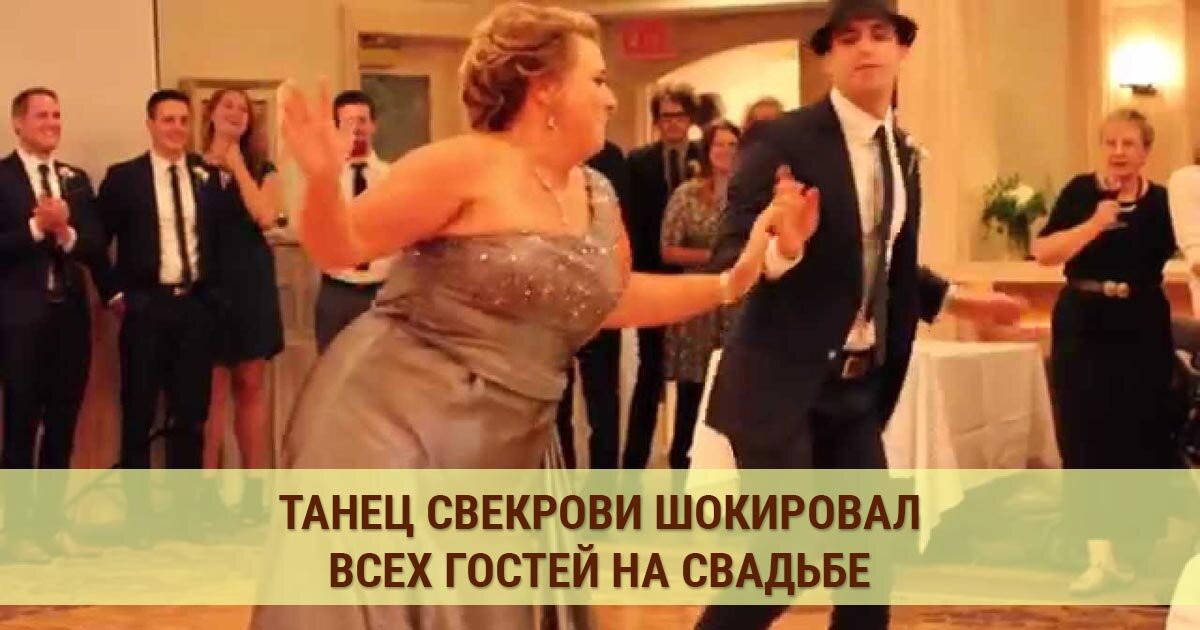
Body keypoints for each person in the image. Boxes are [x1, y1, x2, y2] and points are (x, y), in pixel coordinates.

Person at [250, 3, 788, 627]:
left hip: (512, 440)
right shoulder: (462, 164)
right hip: (396, 430)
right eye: (598, 79)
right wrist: (321, 179)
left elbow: (609, 300)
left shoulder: (596, 192)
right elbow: (340, 246)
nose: (611, 98)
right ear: (544, 87)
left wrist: (732, 281)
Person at [697, 1, 1025, 628]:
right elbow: (730, 254)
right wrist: (783, 249)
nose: (866, 47)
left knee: (870, 565)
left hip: (853, 390)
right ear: (826, 57)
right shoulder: (782, 140)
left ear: (902, 50)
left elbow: (882, 259)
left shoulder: (899, 149)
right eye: (848, 38)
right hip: (778, 383)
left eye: (880, 34)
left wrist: (958, 299)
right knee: (784, 563)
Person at [1033, 108, 1181, 595]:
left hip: (1142, 323)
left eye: (1129, 144)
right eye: (1110, 142)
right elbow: (1045, 253)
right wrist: (1095, 223)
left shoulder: (1162, 201)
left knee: (1140, 432)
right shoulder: (1081, 192)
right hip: (1085, 321)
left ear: (1146, 152)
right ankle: (1099, 556)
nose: (1118, 152)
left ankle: (1133, 549)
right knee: (1086, 432)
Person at [93, 89, 226, 546]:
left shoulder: (206, 177)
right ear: (150, 124)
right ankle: (139, 517)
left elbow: (221, 243)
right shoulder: (124, 179)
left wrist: (215, 301)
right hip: (146, 307)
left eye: (183, 120)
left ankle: (183, 514)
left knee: (190, 414)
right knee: (139, 411)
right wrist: (112, 292)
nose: (176, 128)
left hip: (195, 309)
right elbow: (94, 240)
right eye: (167, 120)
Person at [0, 87, 102, 561]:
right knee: (22, 423)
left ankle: (50, 523)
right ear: (18, 123)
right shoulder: (2, 177)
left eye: (57, 114)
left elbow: (95, 244)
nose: (52, 123)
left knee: (63, 422)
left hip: (69, 318)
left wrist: (64, 231)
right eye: (42, 115)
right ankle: (16, 531)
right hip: (20, 320)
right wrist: (36, 228)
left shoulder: (74, 180)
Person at [199, 87, 285, 524]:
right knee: (210, 395)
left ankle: (254, 494)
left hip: (250, 287)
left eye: (243, 110)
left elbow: (266, 215)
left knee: (250, 389)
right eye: (227, 106)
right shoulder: (190, 167)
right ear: (211, 114)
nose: (235, 113)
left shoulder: (262, 168)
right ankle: (208, 496)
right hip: (206, 289)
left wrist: (235, 164)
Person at [624, 82, 701, 469]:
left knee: (693, 378)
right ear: (656, 121)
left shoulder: (706, 156)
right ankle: (633, 467)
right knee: (650, 371)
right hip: (652, 278)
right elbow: (632, 220)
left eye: (680, 116)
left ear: (690, 120)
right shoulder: (639, 162)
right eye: (666, 117)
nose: (673, 123)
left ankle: (685, 461)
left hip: (695, 279)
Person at [661, 120, 741, 470]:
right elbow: (668, 249)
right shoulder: (687, 194)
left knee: (733, 396)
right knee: (691, 399)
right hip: (696, 306)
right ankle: (681, 474)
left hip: (737, 305)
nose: (725, 151)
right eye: (718, 144)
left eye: (732, 144)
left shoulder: (750, 194)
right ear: (707, 151)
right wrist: (715, 258)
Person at [554, 139, 630, 469]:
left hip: (601, 302)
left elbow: (623, 231)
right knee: (557, 402)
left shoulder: (608, 163)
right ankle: (561, 478)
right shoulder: (539, 166)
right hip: (554, 305)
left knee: (603, 401)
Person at [312, 90, 394, 353]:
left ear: (373, 125)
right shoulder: (324, 179)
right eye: (348, 122)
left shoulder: (393, 176)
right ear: (336, 129)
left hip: (382, 292)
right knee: (331, 369)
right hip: (337, 292)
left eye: (362, 120)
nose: (357, 129)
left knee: (381, 368)